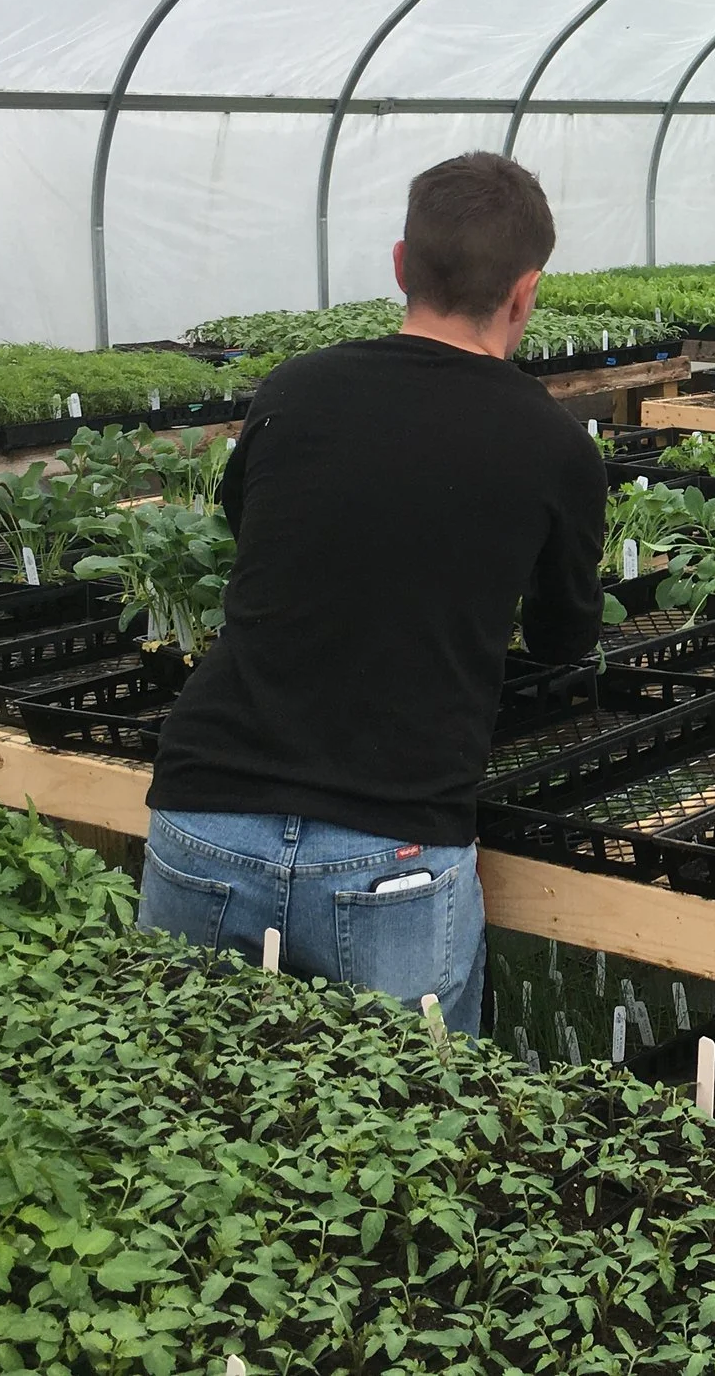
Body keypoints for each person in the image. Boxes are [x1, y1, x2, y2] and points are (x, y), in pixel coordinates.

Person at [138, 152, 606, 1033]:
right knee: (406, 1135)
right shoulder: (551, 443)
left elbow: (256, 537)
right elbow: (562, 638)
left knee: (183, 1113)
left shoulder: (295, 390)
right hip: (391, 844)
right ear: (526, 292)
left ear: (400, 264)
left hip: (206, 812)